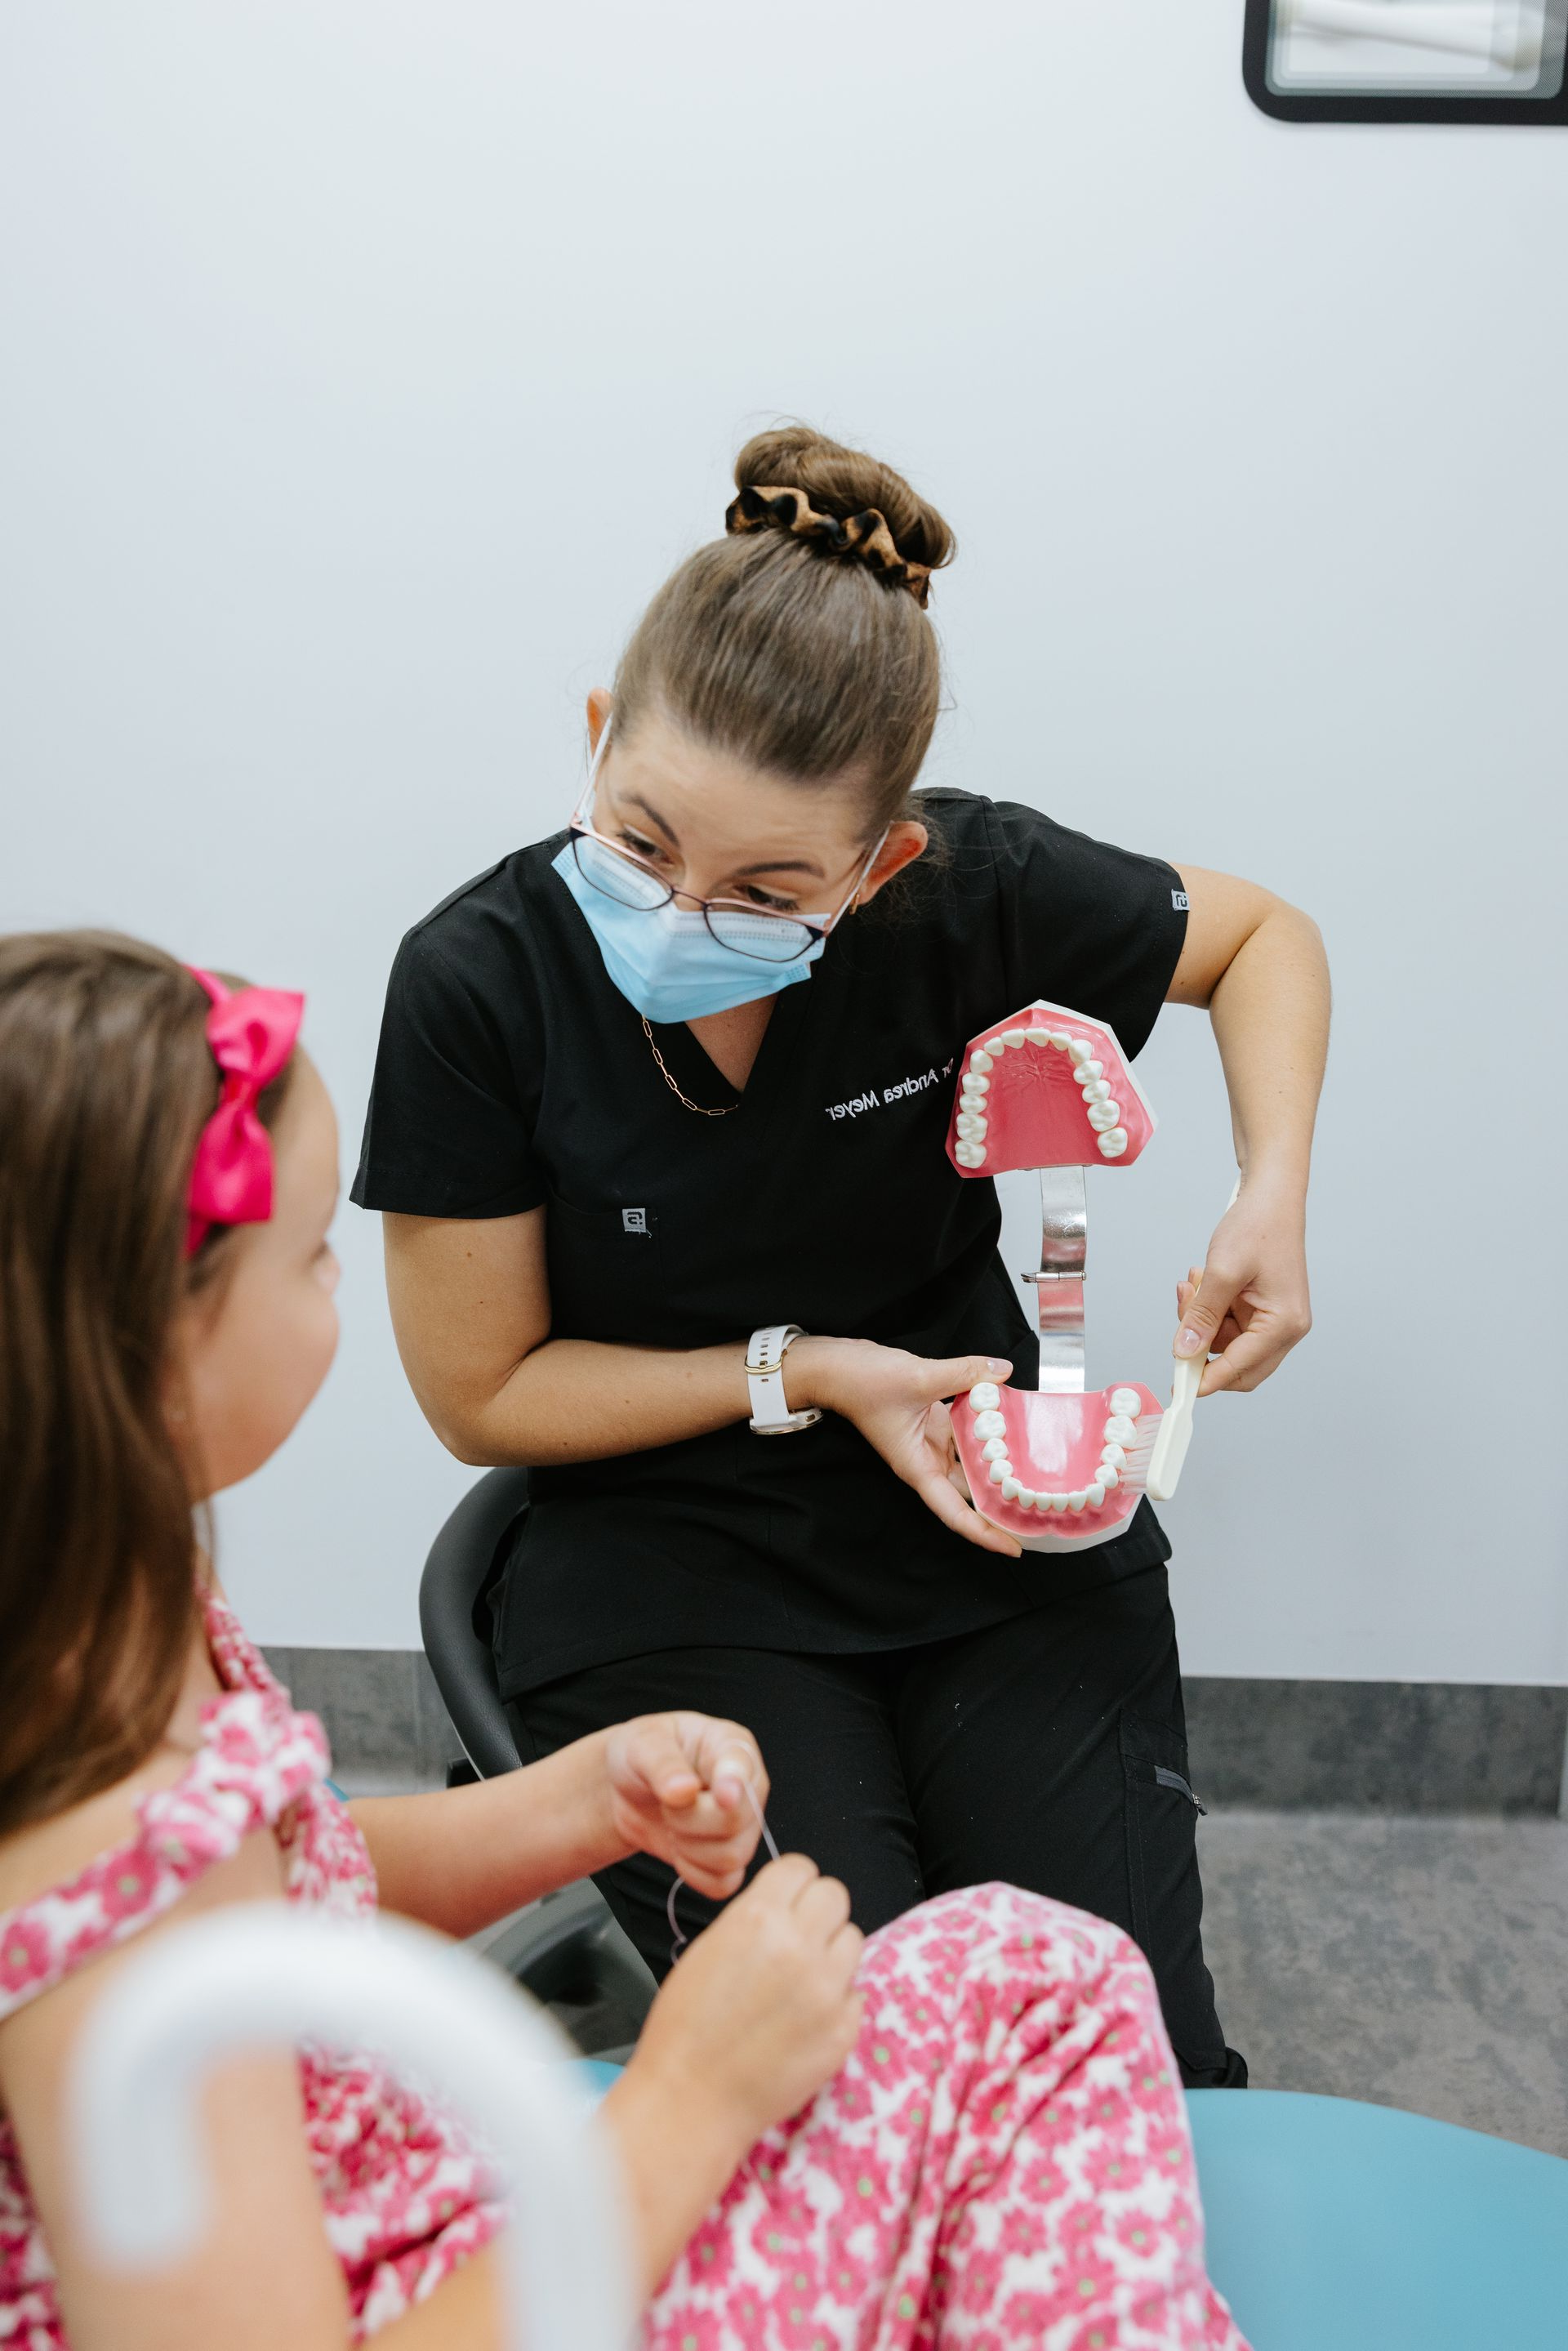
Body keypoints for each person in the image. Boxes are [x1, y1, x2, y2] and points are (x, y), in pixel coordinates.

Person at [0, 931, 1245, 2349]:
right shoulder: (100, 1839)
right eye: (308, 1259)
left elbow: (298, 1883)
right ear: (151, 1357)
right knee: (1041, 1984)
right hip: (477, 2290)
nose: (340, 1285)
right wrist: (685, 2096)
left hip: (443, 2221)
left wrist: (585, 1803)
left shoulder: (94, 1618)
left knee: (1023, 1968)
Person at [354, 426, 1331, 2086]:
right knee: (856, 2084)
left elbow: (1260, 940)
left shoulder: (963, 894)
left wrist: (1274, 1192)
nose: (679, 912)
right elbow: (482, 1390)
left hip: (987, 1508)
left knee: (1119, 2058)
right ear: (598, 743)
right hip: (670, 1548)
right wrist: (801, 1370)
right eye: (641, 839)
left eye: (764, 890)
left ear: (877, 867)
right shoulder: (479, 983)